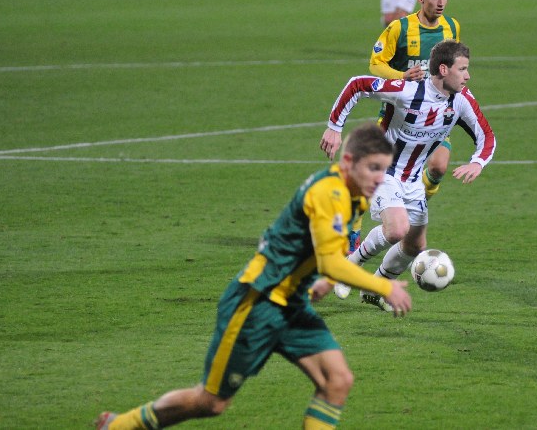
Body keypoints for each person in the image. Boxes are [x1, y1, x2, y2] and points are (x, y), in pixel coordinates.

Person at [94, 123, 412, 430]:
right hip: (257, 303)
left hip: (292, 304)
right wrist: (382, 285)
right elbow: (330, 261)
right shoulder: (328, 192)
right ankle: (121, 425)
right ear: (347, 161)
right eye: (373, 168)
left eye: (384, 169)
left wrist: (323, 282)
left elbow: (326, 249)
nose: (379, 178)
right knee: (211, 402)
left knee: (337, 381)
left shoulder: (354, 193)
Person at [320, 40, 496, 312]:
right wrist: (334, 127)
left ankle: (375, 289)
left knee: (415, 245)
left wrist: (478, 162)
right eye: (462, 69)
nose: (468, 75)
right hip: (382, 170)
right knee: (396, 230)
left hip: (413, 180)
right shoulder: (407, 90)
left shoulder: (461, 100)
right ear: (443, 69)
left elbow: (486, 135)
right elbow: (357, 84)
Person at [344, 0, 458, 271]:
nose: (441, 2)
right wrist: (401, 76)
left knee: (439, 166)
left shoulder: (452, 27)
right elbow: (374, 64)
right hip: (399, 119)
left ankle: (408, 208)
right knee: (375, 175)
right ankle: (355, 223)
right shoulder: (400, 28)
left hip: (433, 118)